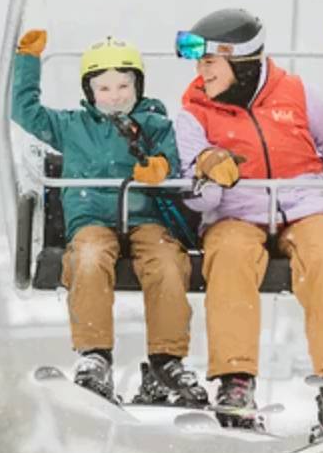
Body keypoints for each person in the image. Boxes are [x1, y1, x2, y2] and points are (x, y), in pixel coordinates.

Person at [171, 8, 323, 439]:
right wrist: (208, 174)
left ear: (240, 63)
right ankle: (235, 380)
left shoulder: (295, 93)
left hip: (304, 202)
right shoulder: (193, 111)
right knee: (228, 258)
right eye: (199, 63)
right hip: (235, 210)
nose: (201, 72)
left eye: (210, 62)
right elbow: (196, 192)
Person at [11, 30, 206, 408]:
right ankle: (94, 354)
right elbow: (25, 111)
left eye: (122, 86)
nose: (114, 96)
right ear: (90, 92)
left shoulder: (155, 125)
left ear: (138, 86)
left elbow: (173, 162)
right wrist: (28, 62)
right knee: (87, 258)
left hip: (146, 218)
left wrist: (159, 169)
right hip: (92, 219)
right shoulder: (71, 127)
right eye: (104, 88)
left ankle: (167, 359)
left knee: (166, 262)